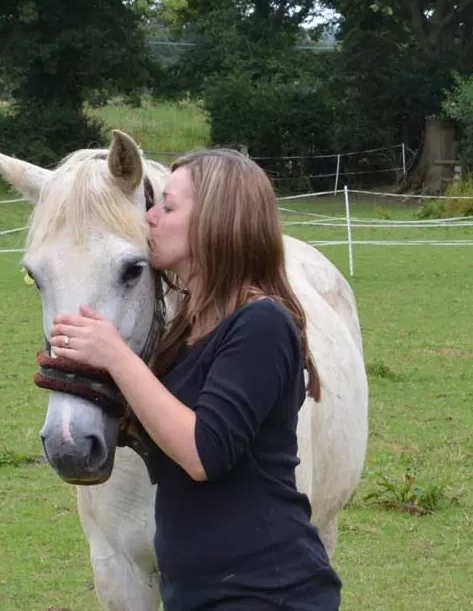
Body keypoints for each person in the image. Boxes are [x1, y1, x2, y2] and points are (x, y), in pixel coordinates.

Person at [50, 148, 342, 610]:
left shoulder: (262, 324)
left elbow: (203, 452)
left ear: (216, 222)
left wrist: (115, 355)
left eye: (167, 207)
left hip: (263, 592)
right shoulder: (189, 329)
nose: (149, 218)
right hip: (204, 591)